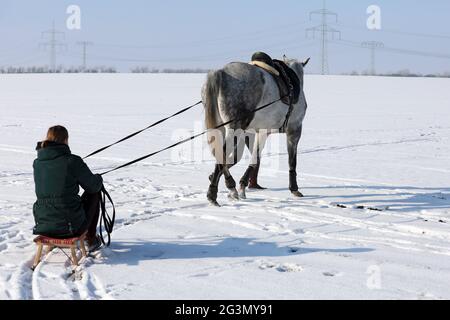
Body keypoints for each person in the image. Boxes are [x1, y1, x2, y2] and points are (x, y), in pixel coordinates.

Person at [32, 125, 103, 251]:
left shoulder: (37, 162)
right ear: (65, 139)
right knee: (94, 194)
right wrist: (98, 178)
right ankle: (90, 239)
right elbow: (93, 186)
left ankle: (56, 230)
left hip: (42, 223)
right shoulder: (72, 161)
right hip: (69, 225)